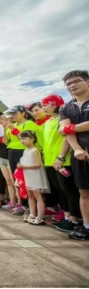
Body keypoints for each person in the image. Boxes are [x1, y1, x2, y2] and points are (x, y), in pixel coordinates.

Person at [42, 95, 82, 232]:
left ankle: (75, 219)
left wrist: (60, 157)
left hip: (62, 161)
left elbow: (66, 138)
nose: (43, 108)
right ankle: (66, 217)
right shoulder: (48, 122)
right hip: (49, 161)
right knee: (60, 190)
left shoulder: (62, 119)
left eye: (45, 105)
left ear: (54, 104)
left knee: (69, 190)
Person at [59, 70, 89, 240]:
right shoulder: (66, 107)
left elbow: (67, 128)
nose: (72, 86)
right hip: (79, 154)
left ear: (87, 82)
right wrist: (77, 149)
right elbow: (65, 131)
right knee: (84, 192)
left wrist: (72, 128)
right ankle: (86, 226)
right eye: (68, 84)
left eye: (76, 81)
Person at [5, 106, 37, 215]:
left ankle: (29, 205)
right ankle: (21, 204)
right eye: (12, 114)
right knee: (17, 179)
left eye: (15, 113)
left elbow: (26, 140)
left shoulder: (29, 124)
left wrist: (14, 130)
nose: (13, 116)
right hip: (12, 151)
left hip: (23, 152)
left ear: (23, 113)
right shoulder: (12, 125)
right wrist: (6, 129)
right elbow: (5, 141)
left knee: (26, 179)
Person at [18, 131, 51, 225]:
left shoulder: (34, 150)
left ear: (32, 139)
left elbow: (38, 164)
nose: (22, 140)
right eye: (21, 139)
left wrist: (24, 167)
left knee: (37, 195)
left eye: (24, 138)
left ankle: (40, 216)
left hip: (35, 175)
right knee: (30, 195)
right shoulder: (25, 151)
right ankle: (32, 214)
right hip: (28, 174)